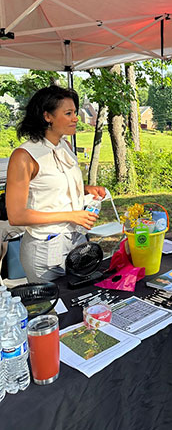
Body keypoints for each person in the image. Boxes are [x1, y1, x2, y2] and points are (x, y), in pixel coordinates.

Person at [6, 85, 105, 282]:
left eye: (75, 112)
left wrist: (85, 190)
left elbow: (53, 187)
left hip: (75, 242)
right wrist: (71, 215)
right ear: (47, 116)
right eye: (68, 113)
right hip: (44, 250)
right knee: (55, 308)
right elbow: (16, 215)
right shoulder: (24, 156)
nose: (75, 118)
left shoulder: (65, 146)